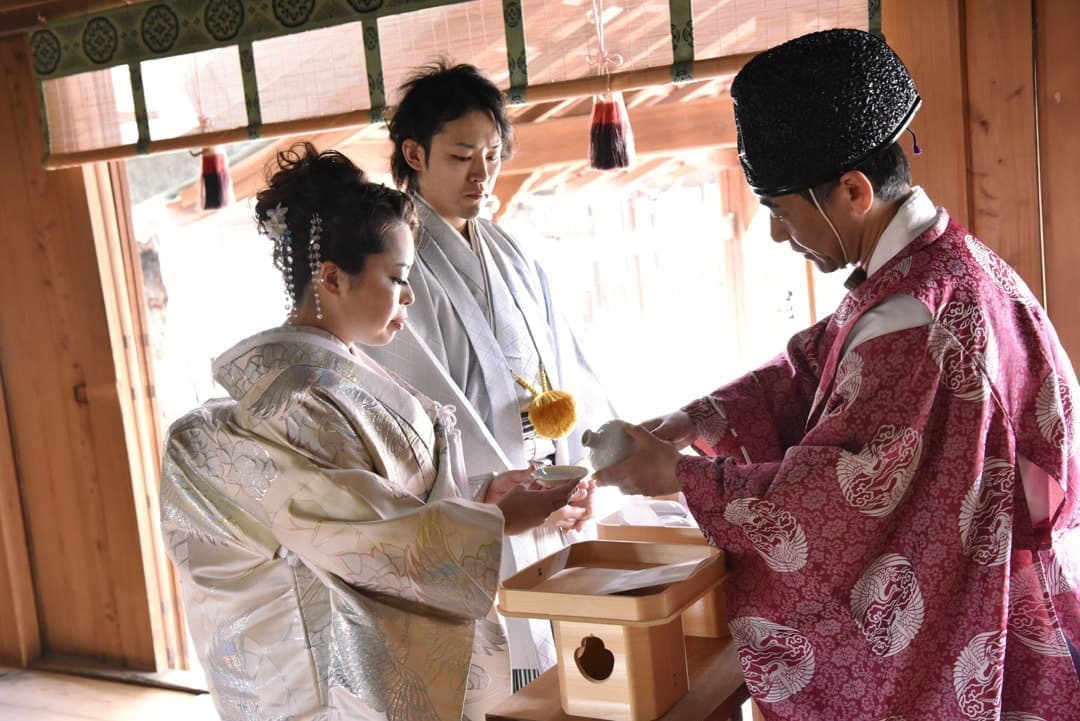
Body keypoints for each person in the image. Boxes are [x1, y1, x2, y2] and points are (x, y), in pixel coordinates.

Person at [595, 28, 1080, 720]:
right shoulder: (940, 269)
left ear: (852, 190)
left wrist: (678, 477)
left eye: (780, 210)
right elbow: (813, 365)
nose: (774, 235)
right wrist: (693, 421)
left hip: (990, 621)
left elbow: (830, 510)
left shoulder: (916, 314)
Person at [160, 144, 580, 721]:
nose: (409, 295)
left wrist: (482, 497)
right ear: (332, 277)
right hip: (330, 656)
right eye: (398, 277)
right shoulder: (296, 398)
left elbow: (387, 500)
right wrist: (501, 521)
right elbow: (356, 535)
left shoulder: (336, 376)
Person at [364, 62, 617, 687]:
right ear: (414, 154)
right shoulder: (400, 264)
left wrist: (578, 471)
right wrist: (492, 492)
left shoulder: (512, 252)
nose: (482, 174)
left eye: (493, 155)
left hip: (544, 494)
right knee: (498, 675)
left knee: (560, 669)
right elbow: (410, 392)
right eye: (461, 156)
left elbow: (565, 365)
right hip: (478, 502)